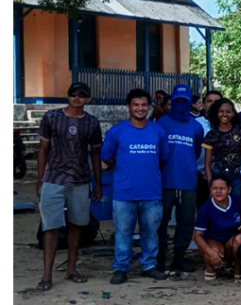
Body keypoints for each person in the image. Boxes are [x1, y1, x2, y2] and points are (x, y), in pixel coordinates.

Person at [35, 82, 103, 291]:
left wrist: (98, 184)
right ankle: (47, 274)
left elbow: (95, 153)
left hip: (80, 182)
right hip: (53, 180)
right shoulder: (52, 117)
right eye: (73, 94)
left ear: (88, 99)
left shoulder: (92, 123)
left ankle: (71, 269)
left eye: (81, 95)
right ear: (68, 96)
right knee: (51, 228)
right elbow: (43, 150)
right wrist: (40, 180)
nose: (76, 98)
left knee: (77, 227)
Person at [102, 89, 169, 284]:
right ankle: (121, 268)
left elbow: (163, 158)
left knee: (150, 233)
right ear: (129, 107)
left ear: (149, 107)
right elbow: (107, 156)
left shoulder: (158, 131)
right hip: (124, 193)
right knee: (123, 233)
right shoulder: (117, 131)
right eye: (136, 105)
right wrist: (124, 167)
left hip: (152, 193)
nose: (140, 108)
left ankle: (148, 266)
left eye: (143, 105)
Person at [156, 84, 205, 274]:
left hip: (188, 181)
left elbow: (196, 150)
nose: (181, 104)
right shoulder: (161, 123)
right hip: (164, 182)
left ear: (190, 103)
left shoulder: (196, 126)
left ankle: (179, 257)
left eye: (185, 101)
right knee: (160, 222)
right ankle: (159, 257)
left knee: (186, 222)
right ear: (172, 101)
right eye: (178, 100)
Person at [192, 174, 241, 282]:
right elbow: (197, 236)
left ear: (229, 189)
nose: (218, 191)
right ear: (210, 190)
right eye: (215, 188)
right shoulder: (205, 208)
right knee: (212, 250)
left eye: (222, 188)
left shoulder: (237, 202)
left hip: (231, 242)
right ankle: (210, 268)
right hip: (214, 242)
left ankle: (237, 271)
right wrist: (210, 253)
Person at [203, 98, 241, 202]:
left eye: (228, 111)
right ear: (216, 113)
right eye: (221, 111)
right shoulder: (211, 135)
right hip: (218, 175)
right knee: (219, 205)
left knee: (236, 204)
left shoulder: (240, 129)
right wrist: (211, 185)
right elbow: (207, 164)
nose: (224, 114)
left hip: (237, 176)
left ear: (233, 113)